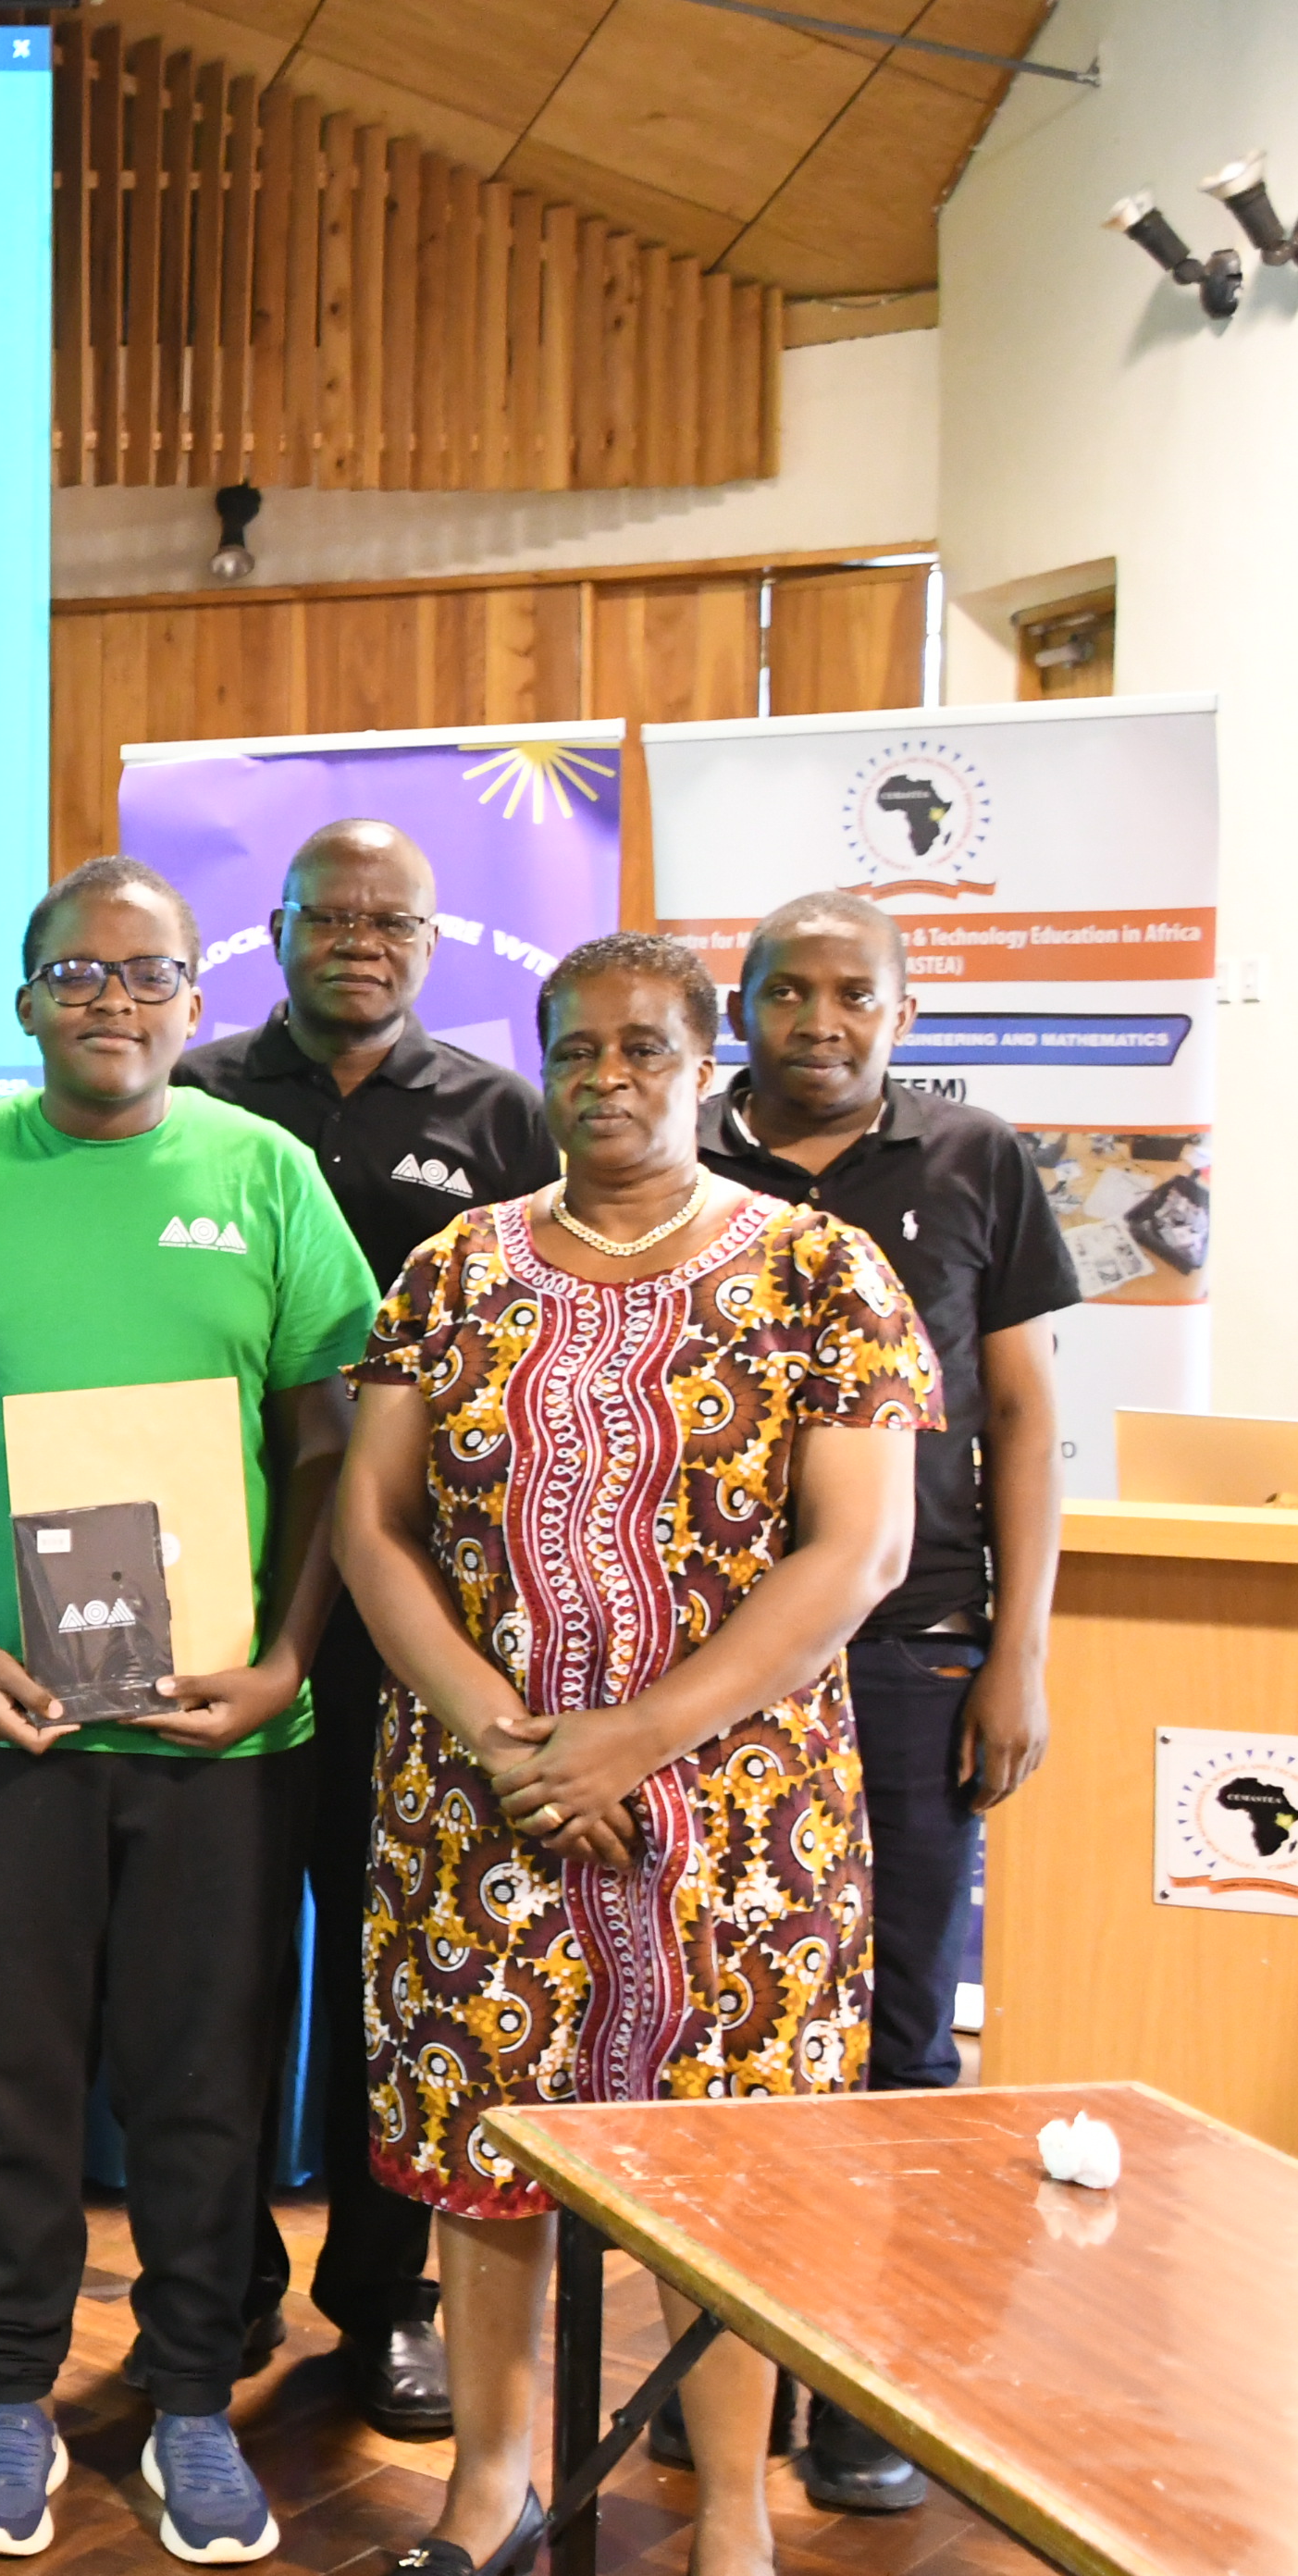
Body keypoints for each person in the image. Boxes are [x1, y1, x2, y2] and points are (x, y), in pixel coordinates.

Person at [335, 932, 933, 2576]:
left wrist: (630, 1744)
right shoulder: (454, 1266)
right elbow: (371, 1525)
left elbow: (857, 1551)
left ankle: (730, 2514)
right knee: (483, 2158)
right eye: (577, 1048)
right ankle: (486, 2490)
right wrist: (495, 1727)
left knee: (725, 2188)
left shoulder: (821, 1269)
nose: (608, 1077)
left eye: (645, 1048)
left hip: (737, 1817)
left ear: (706, 1055)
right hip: (481, 1799)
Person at [0, 857, 370, 2567]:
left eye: (146, 975)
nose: (113, 1002)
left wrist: (289, 1660)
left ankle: (198, 2401)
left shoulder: (266, 1170)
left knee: (204, 2074)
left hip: (220, 1733)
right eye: (78, 972)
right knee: (6, 2076)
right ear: (22, 997)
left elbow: (328, 1443)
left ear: (195, 1001)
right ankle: (8, 2394)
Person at [169, 818, 560, 2437]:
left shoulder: (499, 1114)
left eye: (389, 917)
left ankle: (379, 2294)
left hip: (417, 1619)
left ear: (430, 937)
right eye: (326, 914)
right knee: (218, 1966)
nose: (357, 940)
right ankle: (223, 2269)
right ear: (272, 927)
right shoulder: (187, 1089)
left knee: (395, 1970)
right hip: (212, 1590)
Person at [697, 888, 1072, 2514]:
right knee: (716, 2027)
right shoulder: (679, 1158)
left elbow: (1024, 1411)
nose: (821, 1020)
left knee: (900, 2028)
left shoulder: (979, 1157)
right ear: (743, 1011)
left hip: (914, 1653)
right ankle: (710, 2373)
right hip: (710, 1662)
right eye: (791, 992)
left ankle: (862, 2378)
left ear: (902, 1013)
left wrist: (1022, 1647)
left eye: (856, 993)